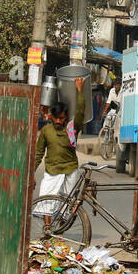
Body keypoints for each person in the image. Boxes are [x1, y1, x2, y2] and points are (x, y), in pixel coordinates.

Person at [33, 77, 87, 226]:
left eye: (61, 118)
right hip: (52, 171)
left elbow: (81, 112)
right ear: (51, 116)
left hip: (70, 170)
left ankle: (61, 232)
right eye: (55, 118)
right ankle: (48, 229)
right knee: (46, 199)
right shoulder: (46, 130)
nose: (58, 121)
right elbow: (38, 154)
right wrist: (31, 174)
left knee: (66, 204)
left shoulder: (71, 128)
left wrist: (79, 90)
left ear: (65, 117)